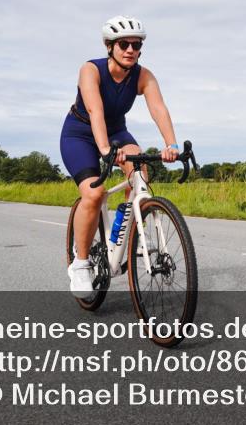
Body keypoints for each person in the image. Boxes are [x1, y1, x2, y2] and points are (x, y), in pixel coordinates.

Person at [60, 15, 180, 298]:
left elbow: (158, 108)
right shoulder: (91, 70)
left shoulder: (143, 76)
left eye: (136, 45)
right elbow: (95, 112)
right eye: (123, 44)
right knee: (94, 194)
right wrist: (105, 150)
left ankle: (129, 232)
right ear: (109, 46)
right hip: (80, 134)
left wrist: (171, 144)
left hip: (117, 132)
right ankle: (80, 264)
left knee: (139, 173)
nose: (130, 50)